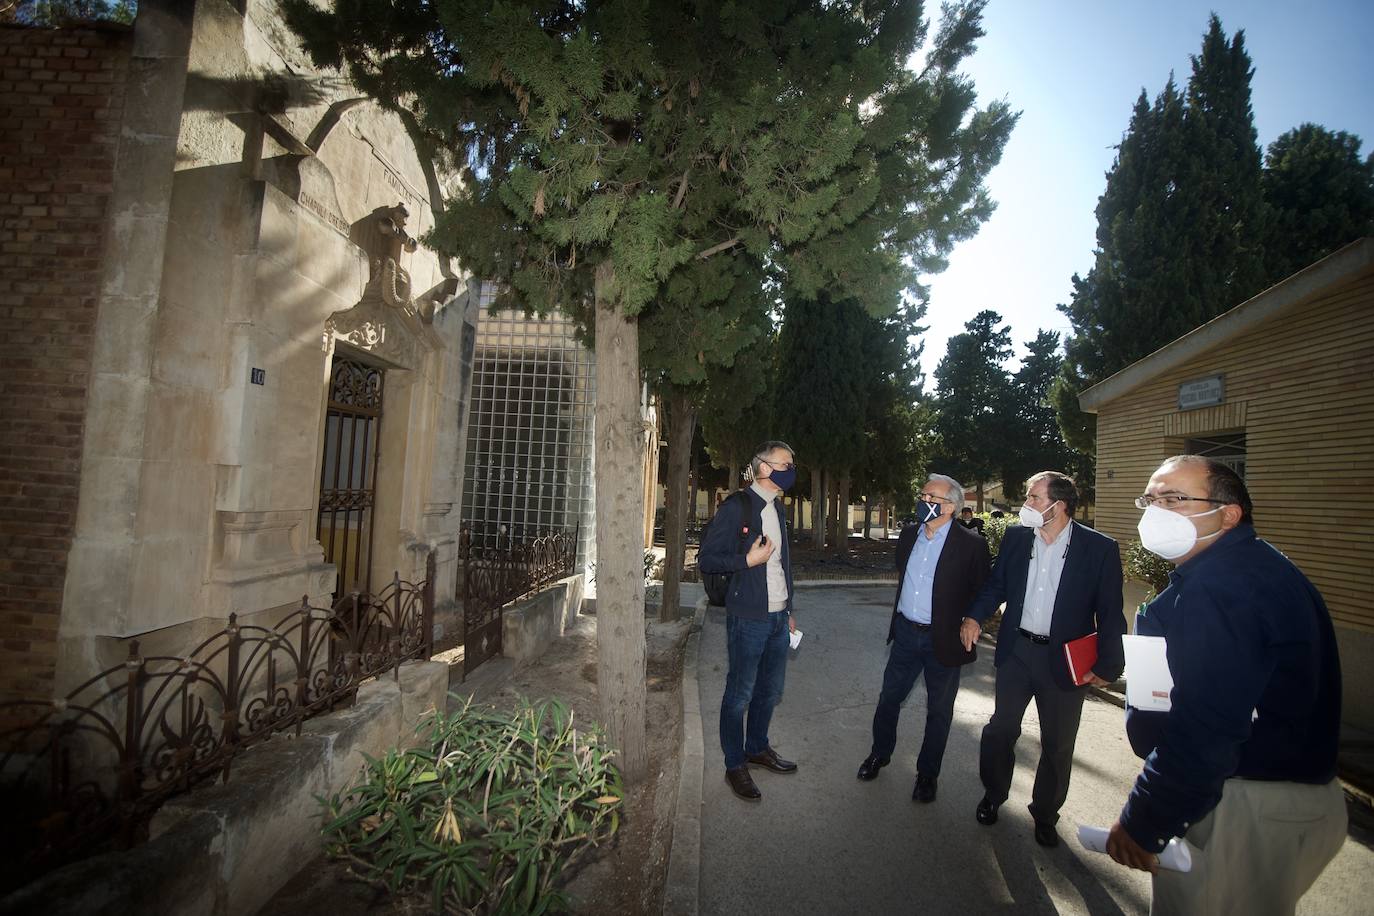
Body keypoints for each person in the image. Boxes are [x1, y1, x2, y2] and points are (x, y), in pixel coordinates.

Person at [1105, 456, 1345, 914]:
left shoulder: (1222, 586)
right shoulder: (1249, 567)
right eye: (1150, 499)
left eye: (1174, 498)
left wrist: (1145, 818)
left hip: (1249, 804)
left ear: (1228, 513)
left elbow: (1205, 724)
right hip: (1276, 798)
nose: (1155, 512)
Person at [961, 471, 1126, 847]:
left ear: (1059, 505)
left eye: (1035, 498)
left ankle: (1046, 814)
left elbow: (1110, 612)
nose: (1027, 505)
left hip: (1064, 660)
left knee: (1058, 743)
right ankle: (994, 794)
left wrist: (1108, 665)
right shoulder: (1018, 539)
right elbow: (997, 584)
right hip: (1017, 652)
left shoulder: (1099, 548)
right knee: (1000, 730)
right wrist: (973, 616)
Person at [856, 474, 990, 802]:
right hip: (905, 634)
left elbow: (983, 590)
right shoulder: (909, 534)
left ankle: (927, 775)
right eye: (923, 494)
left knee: (939, 711)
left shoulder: (971, 544)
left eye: (931, 497)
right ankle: (880, 753)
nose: (923, 500)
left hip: (942, 641)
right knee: (889, 698)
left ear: (951, 507)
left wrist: (973, 618)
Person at [698, 441, 800, 801]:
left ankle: (757, 747)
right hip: (748, 618)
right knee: (739, 694)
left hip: (777, 618)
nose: (791, 469)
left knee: (769, 691)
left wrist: (789, 610)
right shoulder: (737, 507)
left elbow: (784, 565)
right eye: (785, 463)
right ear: (763, 468)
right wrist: (747, 561)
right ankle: (734, 764)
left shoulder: (778, 509)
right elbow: (707, 560)